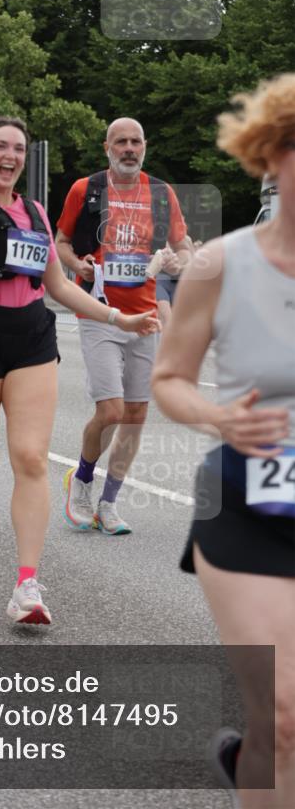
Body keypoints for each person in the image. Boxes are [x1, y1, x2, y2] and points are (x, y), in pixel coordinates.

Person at [0, 102, 159, 626]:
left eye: (18, 149)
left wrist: (117, 318)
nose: (10, 156)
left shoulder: (33, 213)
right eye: (0, 147)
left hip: (32, 335)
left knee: (30, 458)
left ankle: (26, 586)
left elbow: (55, 286)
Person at [152, 74, 295, 809]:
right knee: (282, 712)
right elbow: (169, 380)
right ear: (271, 154)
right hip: (245, 507)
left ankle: (256, 762)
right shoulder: (218, 265)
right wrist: (216, 418)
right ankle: (259, 755)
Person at [55, 118, 189, 535]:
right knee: (110, 411)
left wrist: (177, 261)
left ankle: (108, 503)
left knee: (134, 416)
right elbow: (60, 243)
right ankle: (81, 481)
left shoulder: (162, 194)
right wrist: (78, 264)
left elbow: (182, 247)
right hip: (99, 313)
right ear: (107, 147)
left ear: (144, 146)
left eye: (135, 142)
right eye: (121, 142)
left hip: (146, 317)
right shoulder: (86, 189)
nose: (129, 148)